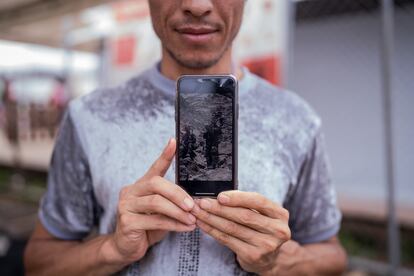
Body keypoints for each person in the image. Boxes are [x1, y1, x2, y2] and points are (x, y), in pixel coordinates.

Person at [24, 1, 347, 275]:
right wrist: (113, 248)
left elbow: (333, 257)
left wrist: (280, 261)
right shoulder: (90, 116)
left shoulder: (295, 119)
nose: (197, 5)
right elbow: (37, 263)